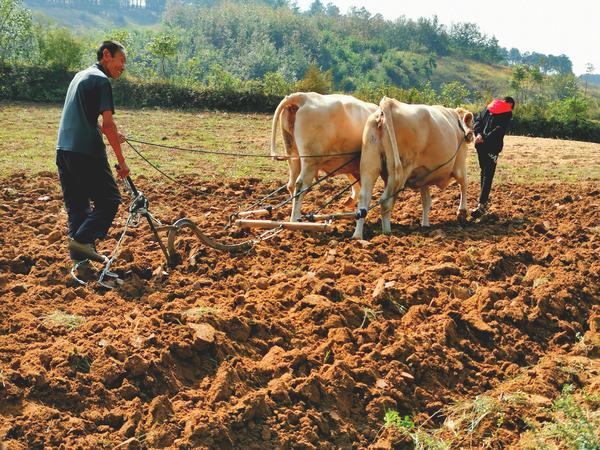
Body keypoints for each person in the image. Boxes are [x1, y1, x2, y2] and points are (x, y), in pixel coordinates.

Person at [56, 40, 130, 265]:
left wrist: (112, 135)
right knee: (109, 200)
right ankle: (81, 240)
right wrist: (122, 163)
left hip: (64, 150)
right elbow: (108, 124)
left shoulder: (80, 76)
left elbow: (86, 116)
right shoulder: (101, 81)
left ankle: (80, 262)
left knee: (77, 206)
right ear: (106, 55)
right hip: (87, 152)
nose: (123, 67)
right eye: (121, 60)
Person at [471, 96, 515, 219]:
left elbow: (477, 121)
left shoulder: (487, 108)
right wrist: (485, 138)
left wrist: (479, 135)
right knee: (488, 175)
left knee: (483, 171)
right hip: (492, 147)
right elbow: (499, 130)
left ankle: (482, 202)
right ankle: (482, 204)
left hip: (479, 145)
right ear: (509, 104)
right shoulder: (507, 113)